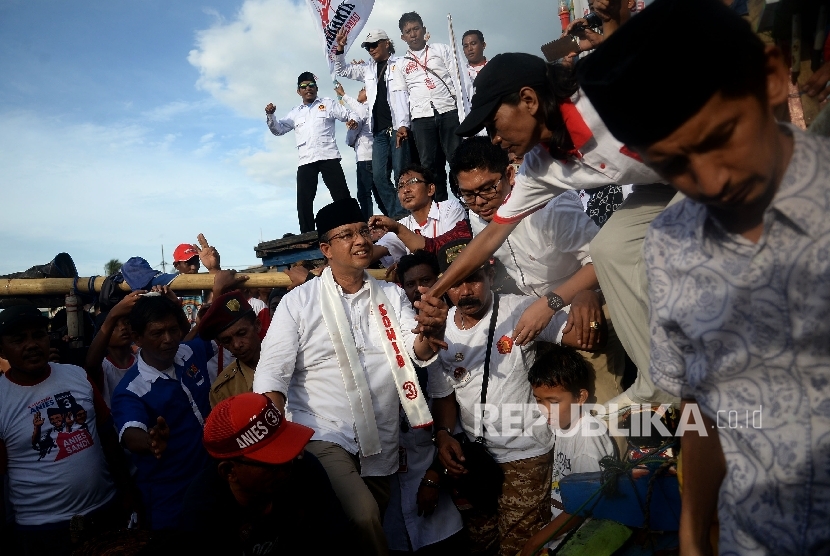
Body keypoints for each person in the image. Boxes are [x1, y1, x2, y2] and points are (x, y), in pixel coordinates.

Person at [576, 0, 830, 553]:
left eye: (721, 136)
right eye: (675, 164)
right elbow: (703, 406)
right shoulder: (668, 244)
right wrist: (694, 530)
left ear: (772, 75)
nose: (712, 180)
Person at [424, 52, 678, 411]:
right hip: (657, 188)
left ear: (528, 100)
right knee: (611, 247)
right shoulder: (538, 167)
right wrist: (435, 292)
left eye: (495, 123)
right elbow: (490, 240)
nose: (494, 139)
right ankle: (657, 385)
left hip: (710, 162)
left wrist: (564, 297)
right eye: (468, 194)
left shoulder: (604, 98)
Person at [253, 197, 448, 556]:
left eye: (362, 231)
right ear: (326, 249)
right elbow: (272, 371)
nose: (360, 240)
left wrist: (429, 335)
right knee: (364, 517)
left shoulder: (391, 295)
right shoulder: (299, 302)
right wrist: (270, 431)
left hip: (382, 439)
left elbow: (413, 350)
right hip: (322, 432)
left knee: (351, 531)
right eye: (346, 235)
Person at [428, 240, 588, 556]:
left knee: (519, 549)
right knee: (480, 544)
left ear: (490, 274)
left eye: (472, 277)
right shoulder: (441, 330)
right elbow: (444, 396)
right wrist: (444, 434)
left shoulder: (521, 309)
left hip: (526, 455)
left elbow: (582, 337)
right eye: (455, 282)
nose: (465, 291)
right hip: (478, 462)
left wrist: (584, 297)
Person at [449, 136, 626, 404]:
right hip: (539, 316)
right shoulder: (477, 214)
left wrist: (560, 301)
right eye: (468, 194)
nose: (479, 202)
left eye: (487, 189)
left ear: (509, 174)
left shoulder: (551, 206)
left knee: (599, 404)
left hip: (587, 303)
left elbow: (603, 262)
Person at [0, 305, 128, 555]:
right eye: (18, 340)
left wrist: (127, 493)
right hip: (41, 532)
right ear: (2, 349)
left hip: (104, 513)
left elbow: (108, 439)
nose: (32, 344)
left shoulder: (77, 375)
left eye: (38, 335)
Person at [173, 393, 351, 554]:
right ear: (229, 471)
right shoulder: (202, 517)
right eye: (273, 459)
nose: (289, 461)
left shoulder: (303, 468)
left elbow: (336, 540)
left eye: (287, 445)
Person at [384, 251, 465, 554]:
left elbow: (445, 399)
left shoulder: (443, 331)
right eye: (410, 283)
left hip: (429, 469)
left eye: (426, 281)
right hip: (391, 478)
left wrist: (434, 476)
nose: (418, 290)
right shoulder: (385, 331)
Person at [111, 291, 214, 529]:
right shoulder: (130, 391)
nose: (169, 339)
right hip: (170, 497)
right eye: (157, 333)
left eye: (173, 330)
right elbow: (130, 432)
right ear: (137, 337)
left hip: (211, 479)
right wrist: (150, 441)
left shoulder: (189, 352)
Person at [520, 345, 614, 555]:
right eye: (538, 400)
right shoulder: (562, 424)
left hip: (585, 540)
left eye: (553, 401)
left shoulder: (587, 441)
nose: (544, 409)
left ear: (580, 397)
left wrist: (535, 542)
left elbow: (584, 506)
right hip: (565, 536)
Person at [265, 72, 358, 233]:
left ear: (316, 88)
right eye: (304, 86)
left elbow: (349, 114)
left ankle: (351, 226)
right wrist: (271, 115)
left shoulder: (328, 104)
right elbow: (278, 130)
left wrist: (353, 120)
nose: (308, 88)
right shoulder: (295, 113)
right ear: (298, 91)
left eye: (311, 85)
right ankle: (307, 234)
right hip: (306, 160)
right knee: (304, 200)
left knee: (341, 193)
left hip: (328, 155)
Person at [335, 28, 411, 219]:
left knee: (401, 175)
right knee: (378, 178)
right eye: (367, 46)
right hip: (378, 132)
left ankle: (408, 215)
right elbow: (342, 69)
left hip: (397, 128)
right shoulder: (367, 69)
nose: (370, 49)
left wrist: (406, 124)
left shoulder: (401, 64)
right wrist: (340, 49)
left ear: (386, 43)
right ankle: (399, 216)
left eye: (374, 44)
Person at [395, 12, 464, 201]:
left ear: (423, 30)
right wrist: (402, 123)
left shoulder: (441, 50)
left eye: (416, 29)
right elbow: (400, 95)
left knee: (458, 158)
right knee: (429, 165)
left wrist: (463, 107)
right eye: (408, 31)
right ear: (403, 37)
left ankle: (465, 199)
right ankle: (440, 205)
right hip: (421, 116)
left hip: (448, 109)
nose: (413, 34)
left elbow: (458, 79)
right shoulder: (400, 64)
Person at [375, 164, 467, 266]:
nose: (405, 190)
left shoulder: (450, 208)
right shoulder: (403, 224)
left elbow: (452, 251)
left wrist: (406, 264)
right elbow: (376, 251)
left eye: (412, 182)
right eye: (401, 186)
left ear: (430, 189)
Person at [198, 291, 261, 407]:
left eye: (242, 333)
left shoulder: (290, 357)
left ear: (257, 325)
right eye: (227, 341)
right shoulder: (223, 390)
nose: (236, 345)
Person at [338, 83, 385, 219]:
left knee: (364, 193)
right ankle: (391, 215)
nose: (360, 91)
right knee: (379, 191)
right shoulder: (375, 108)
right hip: (376, 154)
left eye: (363, 89)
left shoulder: (364, 108)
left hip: (365, 156)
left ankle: (366, 222)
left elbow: (354, 129)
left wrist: (344, 95)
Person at [85, 291, 140, 408]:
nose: (123, 328)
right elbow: (90, 365)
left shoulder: (142, 359)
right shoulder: (103, 367)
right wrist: (113, 315)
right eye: (115, 325)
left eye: (127, 323)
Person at [462, 30, 487, 100]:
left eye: (473, 44)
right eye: (466, 46)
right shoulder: (460, 72)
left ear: (483, 45)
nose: (469, 49)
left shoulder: (494, 67)